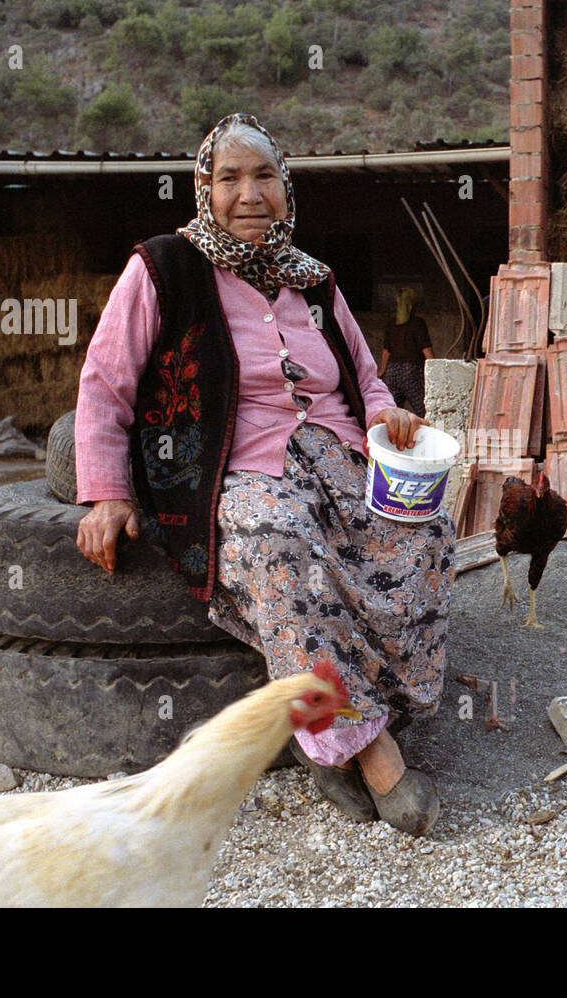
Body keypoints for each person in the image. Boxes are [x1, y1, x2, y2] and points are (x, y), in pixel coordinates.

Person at [73, 114, 454, 836]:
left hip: (336, 456)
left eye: (265, 176)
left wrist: (386, 418)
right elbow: (105, 384)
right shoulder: (162, 267)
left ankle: (354, 725)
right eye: (229, 178)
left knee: (427, 529)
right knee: (280, 547)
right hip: (232, 466)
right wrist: (108, 493)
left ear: (287, 186)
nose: (249, 194)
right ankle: (368, 752)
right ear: (203, 189)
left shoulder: (315, 280)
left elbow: (365, 380)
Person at [378, 287, 433, 418]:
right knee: (424, 411)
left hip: (392, 373)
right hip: (411, 372)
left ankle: (388, 438)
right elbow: (426, 349)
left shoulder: (391, 323)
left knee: (391, 414)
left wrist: (382, 370)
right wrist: (435, 370)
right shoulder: (418, 324)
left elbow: (386, 350)